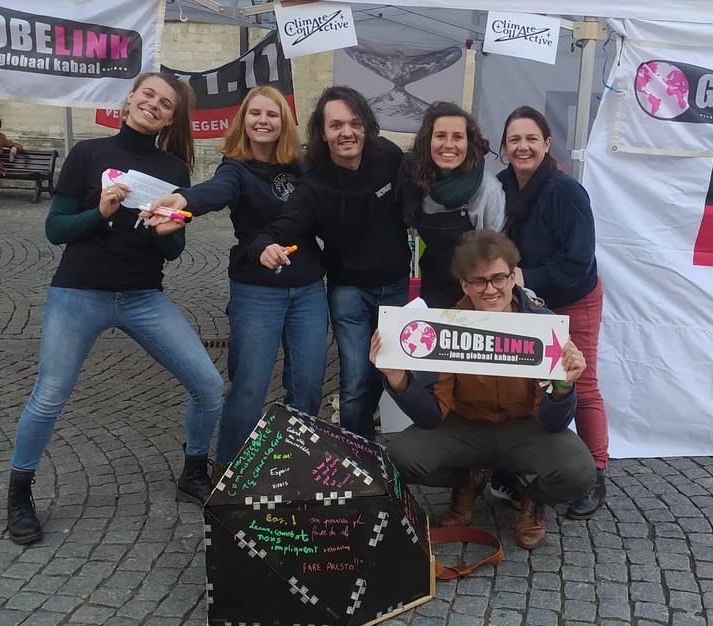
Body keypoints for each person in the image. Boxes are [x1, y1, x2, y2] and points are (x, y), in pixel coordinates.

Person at [5, 73, 224, 545]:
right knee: (50, 394)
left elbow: (173, 249)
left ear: (171, 118)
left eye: (165, 104)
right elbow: (56, 230)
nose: (154, 105)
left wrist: (167, 231)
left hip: (143, 297)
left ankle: (193, 470)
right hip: (79, 292)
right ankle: (19, 492)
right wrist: (101, 213)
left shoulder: (174, 170)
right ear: (130, 99)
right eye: (148, 95)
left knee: (209, 386)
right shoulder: (88, 153)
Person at [375, 230, 594, 549]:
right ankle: (467, 481)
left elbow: (553, 423)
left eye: (499, 278)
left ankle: (534, 498)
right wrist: (398, 379)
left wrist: (563, 386)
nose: (490, 289)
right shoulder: (447, 325)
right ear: (464, 285)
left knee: (579, 473)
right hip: (466, 426)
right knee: (400, 457)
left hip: (525, 428)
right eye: (479, 281)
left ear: (513, 277)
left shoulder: (542, 324)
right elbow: (431, 417)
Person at [147, 86, 327, 468]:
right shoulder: (235, 168)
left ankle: (296, 463)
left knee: (309, 385)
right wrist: (183, 200)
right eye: (255, 113)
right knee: (249, 387)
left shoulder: (302, 166)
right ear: (243, 121)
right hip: (256, 290)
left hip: (308, 287)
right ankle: (229, 468)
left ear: (284, 122)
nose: (263, 121)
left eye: (272, 114)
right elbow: (217, 190)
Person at [251, 86, 410, 439]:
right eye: (336, 125)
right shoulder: (314, 182)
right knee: (354, 380)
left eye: (354, 123)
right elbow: (285, 224)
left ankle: (371, 439)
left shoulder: (389, 156)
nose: (347, 133)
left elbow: (418, 194)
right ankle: (356, 452)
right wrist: (265, 244)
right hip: (348, 290)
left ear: (366, 126)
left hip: (396, 286)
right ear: (322, 133)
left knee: (386, 371)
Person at [496, 106, 608, 519]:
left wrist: (525, 276)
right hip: (525, 300)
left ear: (547, 144)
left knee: (582, 382)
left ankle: (595, 474)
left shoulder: (567, 192)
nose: (522, 147)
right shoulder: (500, 186)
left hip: (573, 297)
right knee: (520, 383)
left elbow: (578, 262)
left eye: (531, 139)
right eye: (514, 139)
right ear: (505, 147)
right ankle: (515, 467)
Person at [399, 102, 506, 308]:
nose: (448, 145)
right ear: (428, 141)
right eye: (440, 136)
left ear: (469, 143)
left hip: (479, 290)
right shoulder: (415, 182)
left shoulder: (488, 189)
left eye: (457, 137)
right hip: (434, 286)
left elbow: (498, 256)